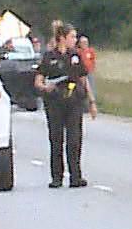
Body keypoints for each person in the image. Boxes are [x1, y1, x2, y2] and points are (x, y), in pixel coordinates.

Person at [36, 21, 93, 188]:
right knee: (56, 139)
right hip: (55, 102)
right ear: (62, 38)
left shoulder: (75, 56)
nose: (74, 40)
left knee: (74, 139)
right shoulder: (49, 57)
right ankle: (57, 176)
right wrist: (46, 87)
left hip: (74, 101)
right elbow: (38, 80)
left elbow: (83, 79)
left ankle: (76, 176)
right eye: (72, 37)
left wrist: (92, 101)